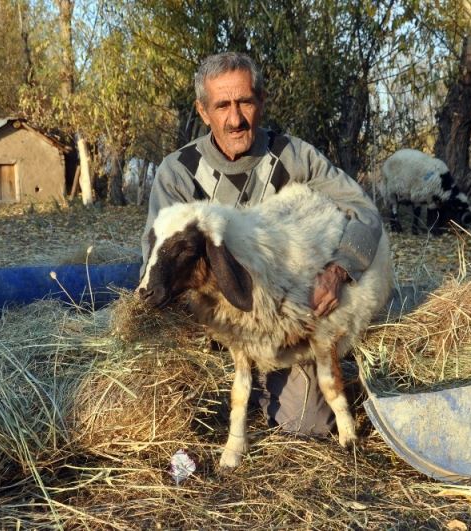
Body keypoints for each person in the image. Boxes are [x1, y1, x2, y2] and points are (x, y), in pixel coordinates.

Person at [140, 52, 384, 437]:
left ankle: (278, 384)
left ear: (262, 101)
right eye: (222, 105)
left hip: (282, 324)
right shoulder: (179, 173)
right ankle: (244, 388)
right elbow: (154, 258)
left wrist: (340, 269)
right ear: (203, 112)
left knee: (308, 425)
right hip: (211, 331)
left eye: (245, 102)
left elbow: (365, 213)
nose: (235, 119)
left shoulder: (295, 157)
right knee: (173, 415)